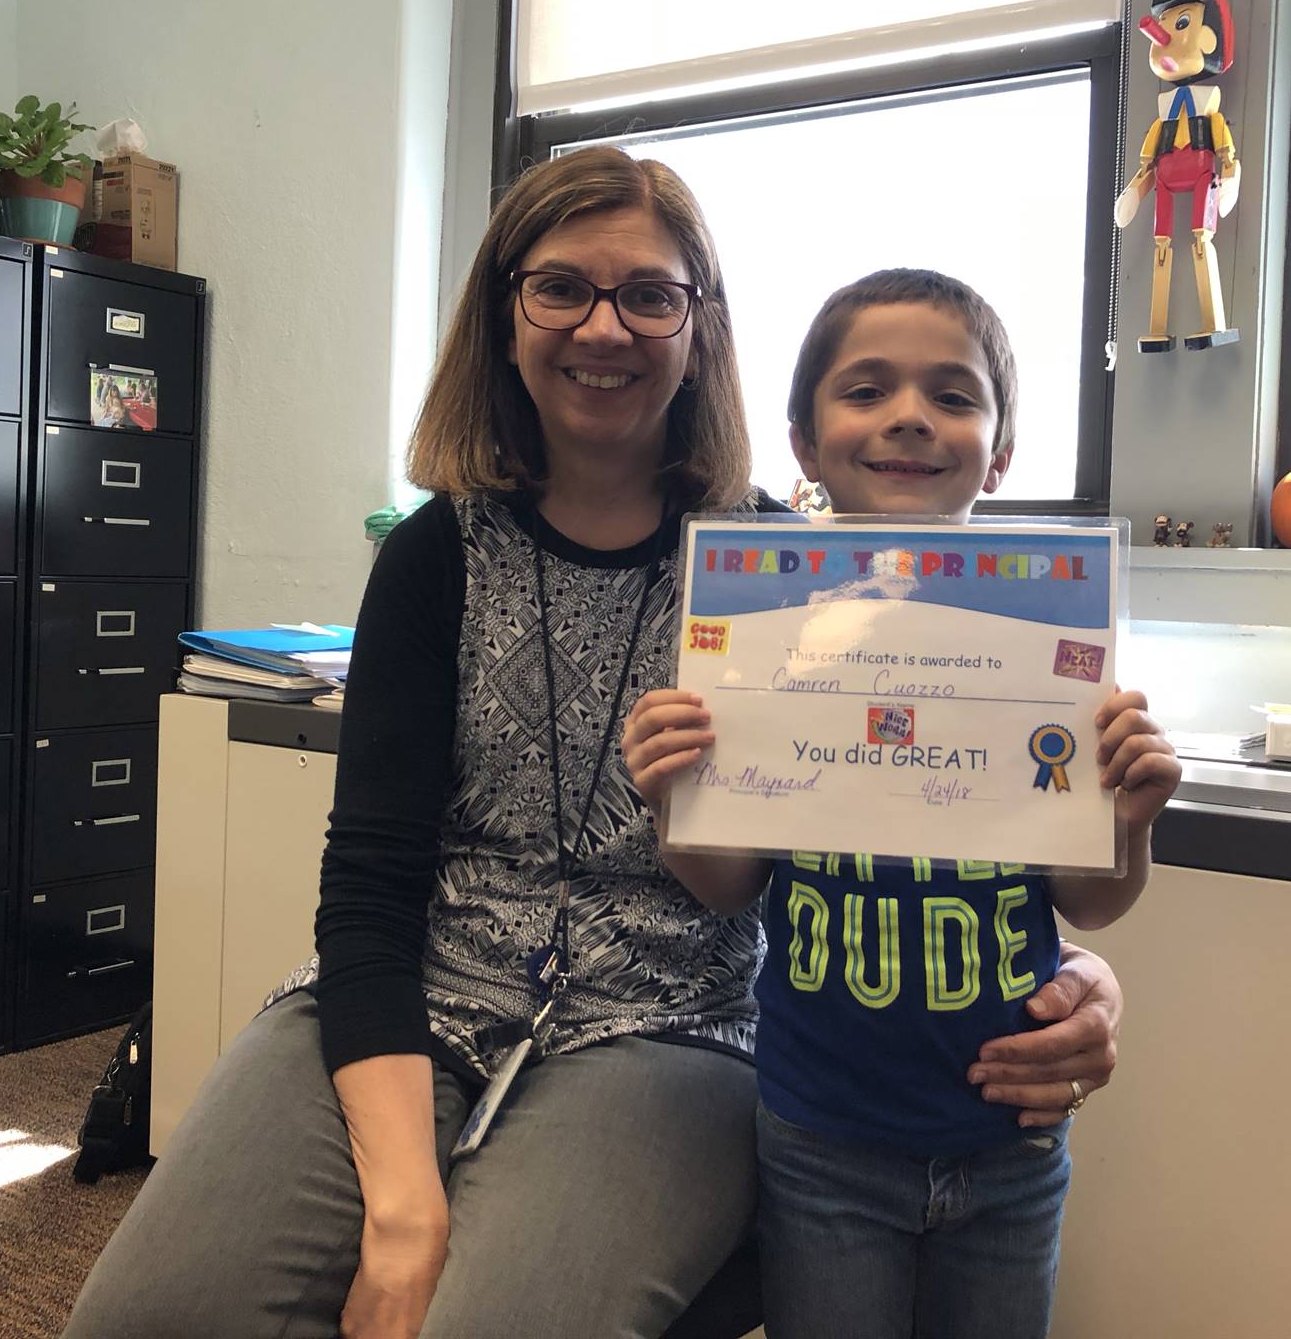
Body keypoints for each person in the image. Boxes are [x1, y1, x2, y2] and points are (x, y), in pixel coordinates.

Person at [61, 152, 1131, 1339]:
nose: (604, 329)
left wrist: (1081, 972)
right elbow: (367, 889)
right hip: (418, 989)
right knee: (147, 1322)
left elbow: (934, 813)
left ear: (699, 326)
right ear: (506, 314)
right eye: (561, 287)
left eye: (650, 295)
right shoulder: (435, 557)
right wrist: (406, 1202)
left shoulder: (800, 578)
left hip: (674, 1023)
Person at [622, 270, 1182, 1339]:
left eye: (955, 397)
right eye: (867, 390)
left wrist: (1130, 816)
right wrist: (675, 796)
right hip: (822, 1138)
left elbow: (1094, 906)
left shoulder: (1054, 644)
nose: (911, 418)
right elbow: (729, 889)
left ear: (1002, 449)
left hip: (1009, 1140)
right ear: (804, 438)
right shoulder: (764, 623)